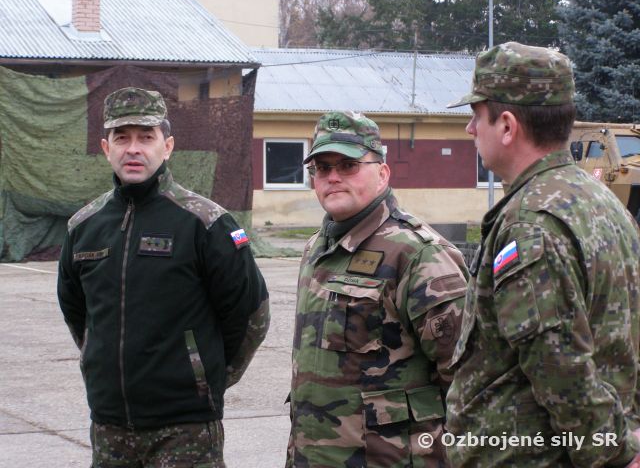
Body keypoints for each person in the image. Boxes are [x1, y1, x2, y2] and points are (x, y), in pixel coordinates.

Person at [445, 41, 640, 467]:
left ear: (507, 126)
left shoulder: (529, 223)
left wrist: (612, 453)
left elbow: (560, 365)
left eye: (476, 115)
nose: (470, 129)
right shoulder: (600, 200)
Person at [57, 87, 269, 468]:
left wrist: (207, 377)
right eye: (122, 138)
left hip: (185, 429)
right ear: (106, 148)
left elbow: (251, 314)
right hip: (109, 426)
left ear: (167, 146)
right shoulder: (83, 227)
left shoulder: (206, 223)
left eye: (146, 137)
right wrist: (97, 359)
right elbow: (77, 312)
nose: (133, 149)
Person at [287, 111, 469, 467]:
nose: (333, 177)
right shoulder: (317, 248)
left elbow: (467, 378)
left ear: (382, 173)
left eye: (349, 165)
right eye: (322, 168)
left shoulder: (419, 254)